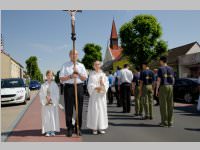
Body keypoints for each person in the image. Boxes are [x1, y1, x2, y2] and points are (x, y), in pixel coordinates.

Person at [59, 50, 88, 137]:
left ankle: (78, 128)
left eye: (76, 54)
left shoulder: (81, 65)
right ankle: (69, 128)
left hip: (79, 87)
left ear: (78, 55)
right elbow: (61, 78)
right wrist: (71, 76)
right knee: (69, 109)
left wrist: (78, 73)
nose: (74, 56)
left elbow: (84, 78)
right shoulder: (65, 65)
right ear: (69, 55)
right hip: (69, 88)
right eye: (72, 54)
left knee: (79, 109)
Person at [87, 60, 109, 135]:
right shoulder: (91, 75)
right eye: (95, 64)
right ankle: (94, 128)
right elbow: (89, 85)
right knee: (95, 111)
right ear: (93, 66)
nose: (97, 65)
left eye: (98, 64)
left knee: (102, 111)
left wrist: (103, 85)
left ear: (100, 65)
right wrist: (96, 88)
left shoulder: (103, 74)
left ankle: (101, 127)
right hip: (94, 95)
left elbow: (107, 83)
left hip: (101, 95)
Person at [39, 70, 60, 137]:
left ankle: (53, 130)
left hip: (52, 103)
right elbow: (41, 94)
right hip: (46, 104)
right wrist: (46, 98)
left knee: (53, 117)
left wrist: (51, 99)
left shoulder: (55, 85)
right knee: (46, 117)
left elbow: (57, 94)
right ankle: (47, 131)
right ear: (46, 76)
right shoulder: (43, 85)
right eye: (48, 75)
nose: (49, 77)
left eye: (51, 75)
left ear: (52, 76)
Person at [156, 56, 175, 127]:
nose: (159, 62)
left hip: (163, 86)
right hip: (170, 86)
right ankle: (170, 122)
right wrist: (172, 86)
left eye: (159, 61)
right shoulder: (171, 68)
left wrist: (157, 89)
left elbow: (158, 80)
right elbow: (173, 79)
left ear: (162, 61)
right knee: (170, 104)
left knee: (163, 105)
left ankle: (164, 122)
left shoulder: (160, 69)